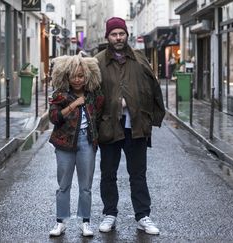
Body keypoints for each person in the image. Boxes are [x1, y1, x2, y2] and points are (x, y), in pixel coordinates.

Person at [94, 17, 165, 235]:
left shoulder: (140, 59)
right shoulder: (96, 63)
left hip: (136, 125)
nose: (118, 38)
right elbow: (91, 95)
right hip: (109, 126)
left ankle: (143, 215)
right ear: (107, 37)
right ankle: (109, 214)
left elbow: (154, 88)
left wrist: (154, 115)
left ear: (127, 35)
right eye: (114, 34)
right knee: (108, 173)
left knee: (138, 174)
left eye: (121, 34)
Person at [48, 53, 104, 237]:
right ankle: (60, 222)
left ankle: (85, 222)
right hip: (64, 144)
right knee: (63, 185)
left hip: (86, 142)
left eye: (81, 75)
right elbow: (54, 118)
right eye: (74, 76)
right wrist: (73, 105)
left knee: (85, 186)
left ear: (87, 75)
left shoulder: (93, 94)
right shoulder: (60, 95)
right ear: (67, 76)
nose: (77, 80)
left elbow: (101, 112)